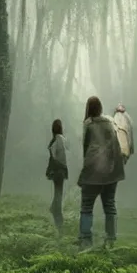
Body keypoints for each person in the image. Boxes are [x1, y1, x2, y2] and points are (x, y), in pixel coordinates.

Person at [77, 96, 125, 251]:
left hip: (93, 172)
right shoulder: (110, 123)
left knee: (86, 206)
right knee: (110, 205)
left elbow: (86, 148)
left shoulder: (88, 124)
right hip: (112, 171)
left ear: (88, 109)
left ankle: (86, 240)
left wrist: (85, 172)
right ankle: (111, 240)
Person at [45, 119, 68, 235]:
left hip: (57, 172)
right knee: (58, 195)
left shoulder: (55, 140)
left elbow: (53, 158)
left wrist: (50, 171)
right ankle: (56, 214)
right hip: (62, 172)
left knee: (57, 198)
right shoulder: (63, 139)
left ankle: (60, 226)